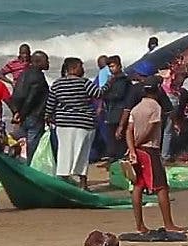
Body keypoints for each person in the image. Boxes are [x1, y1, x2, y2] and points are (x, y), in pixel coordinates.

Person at [126, 76, 184, 233]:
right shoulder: (155, 108)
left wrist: (132, 149)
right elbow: (151, 129)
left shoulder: (136, 108)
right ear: (157, 90)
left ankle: (140, 225)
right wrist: (138, 143)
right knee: (161, 187)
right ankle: (169, 224)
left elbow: (129, 131)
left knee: (138, 186)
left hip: (137, 151)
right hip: (149, 150)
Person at [45, 58, 106, 189]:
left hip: (63, 124)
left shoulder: (57, 84)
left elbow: (50, 104)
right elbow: (99, 93)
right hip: (84, 123)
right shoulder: (84, 82)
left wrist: (48, 116)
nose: (83, 69)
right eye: (80, 67)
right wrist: (110, 82)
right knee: (82, 153)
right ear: (73, 69)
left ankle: (63, 181)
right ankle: (83, 184)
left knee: (64, 152)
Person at [11, 51, 50, 163]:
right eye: (46, 60)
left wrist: (17, 112)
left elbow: (17, 94)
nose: (48, 63)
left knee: (23, 143)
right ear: (38, 62)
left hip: (24, 115)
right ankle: (29, 168)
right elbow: (31, 98)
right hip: (34, 115)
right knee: (32, 146)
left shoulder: (24, 73)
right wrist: (22, 113)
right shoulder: (38, 76)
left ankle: (20, 165)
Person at [101, 56, 131, 160]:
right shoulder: (112, 80)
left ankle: (118, 159)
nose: (111, 69)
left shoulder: (123, 80)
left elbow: (119, 94)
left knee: (119, 139)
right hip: (111, 112)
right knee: (112, 138)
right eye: (109, 67)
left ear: (119, 66)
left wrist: (106, 95)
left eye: (113, 66)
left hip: (119, 112)